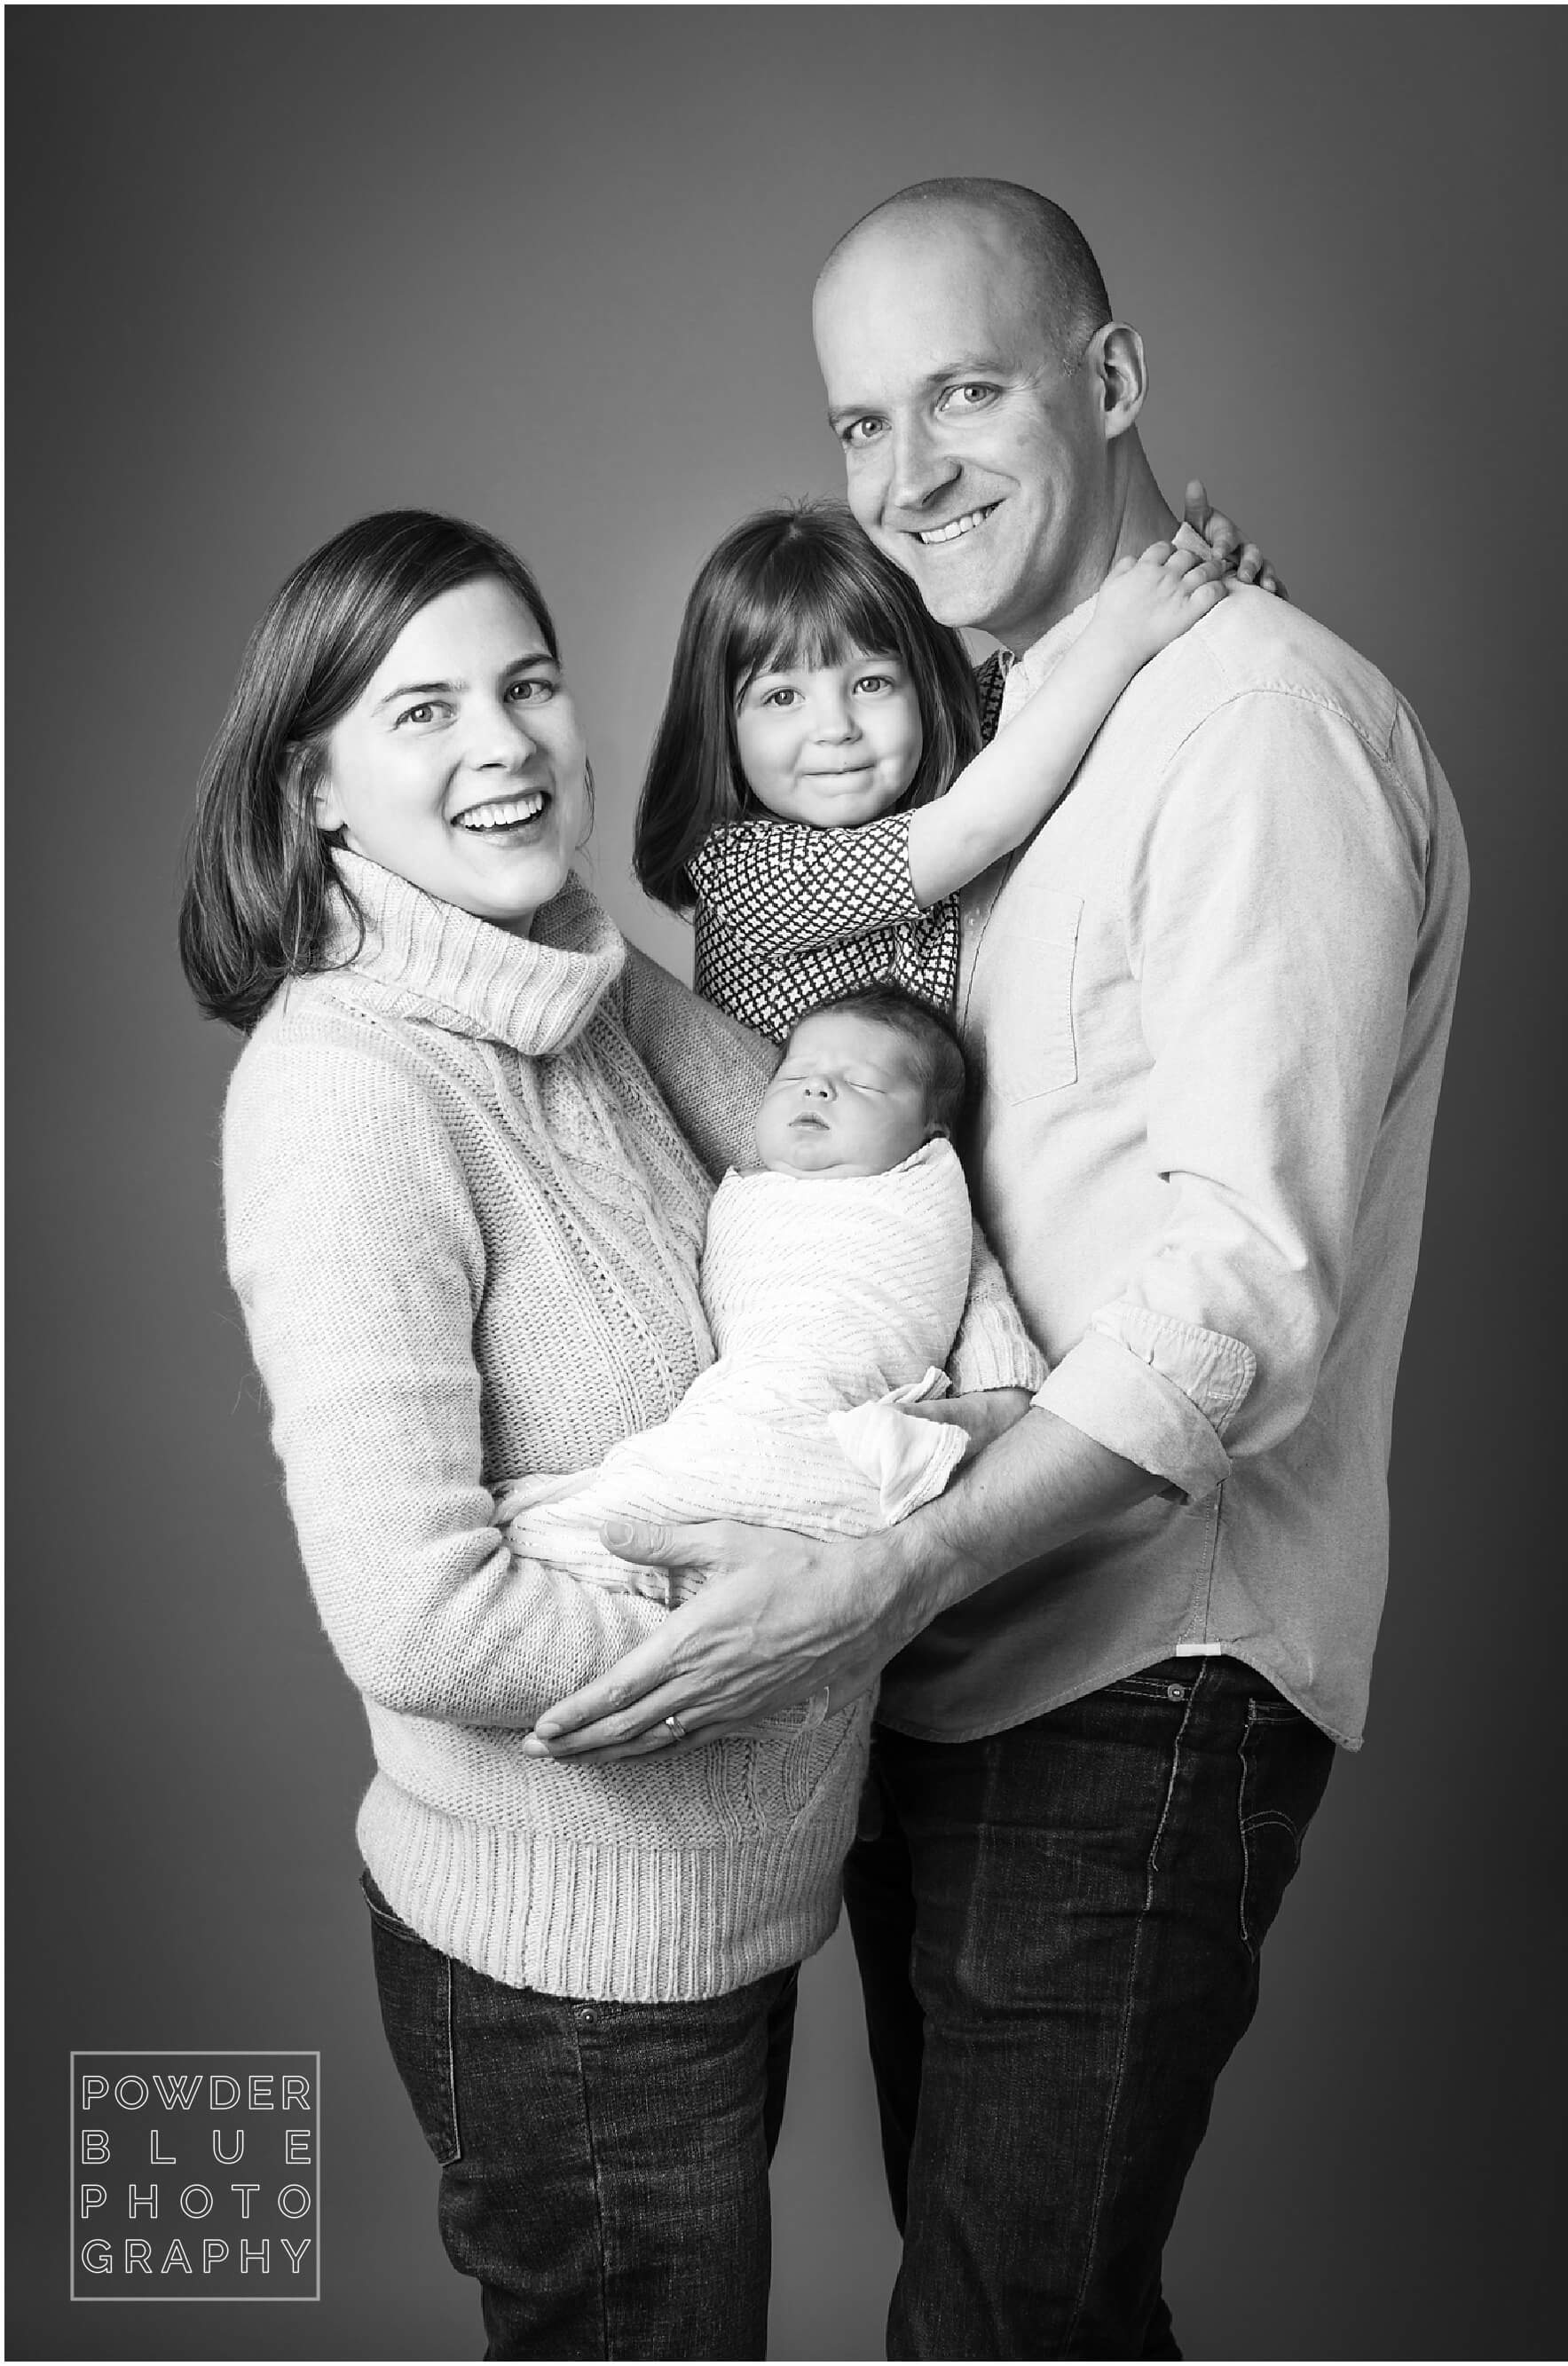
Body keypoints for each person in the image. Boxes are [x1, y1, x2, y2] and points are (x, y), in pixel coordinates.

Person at [524, 178, 1470, 2361]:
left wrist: (895, 1565)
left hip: (1133, 1666)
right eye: (861, 420)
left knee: (1000, 2328)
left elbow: (1236, 1285)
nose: (909, 470)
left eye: (968, 389)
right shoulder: (1005, 742)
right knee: (997, 2315)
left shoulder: (1244, 721)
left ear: (1114, 382)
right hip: (956, 1648)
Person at [178, 508, 1043, 2361]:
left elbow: (881, 1177)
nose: (500, 745)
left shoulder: (584, 972)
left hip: (724, 1918)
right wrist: (804, 1619)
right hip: (567, 1979)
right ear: (313, 786)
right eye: (422, 713)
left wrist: (980, 1412)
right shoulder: (342, 1096)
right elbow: (419, 1620)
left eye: (529, 684)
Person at [495, 989, 1046, 1599]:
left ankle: (572, 1537)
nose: (818, 1089)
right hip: (741, 1398)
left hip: (821, 1406)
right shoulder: (743, 1186)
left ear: (931, 1134)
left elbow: (974, 1289)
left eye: (862, 1084)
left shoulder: (924, 1193)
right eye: (797, 1075)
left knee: (669, 1497)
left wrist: (1004, 1396)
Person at [634, 500, 1233, 1041]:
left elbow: (1056, 674)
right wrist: (1117, 640)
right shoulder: (740, 867)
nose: (835, 727)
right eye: (782, 698)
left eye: (871, 684)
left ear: (926, 691)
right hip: (791, 1162)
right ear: (722, 725)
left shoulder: (955, 749)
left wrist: (1193, 577)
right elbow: (973, 828)